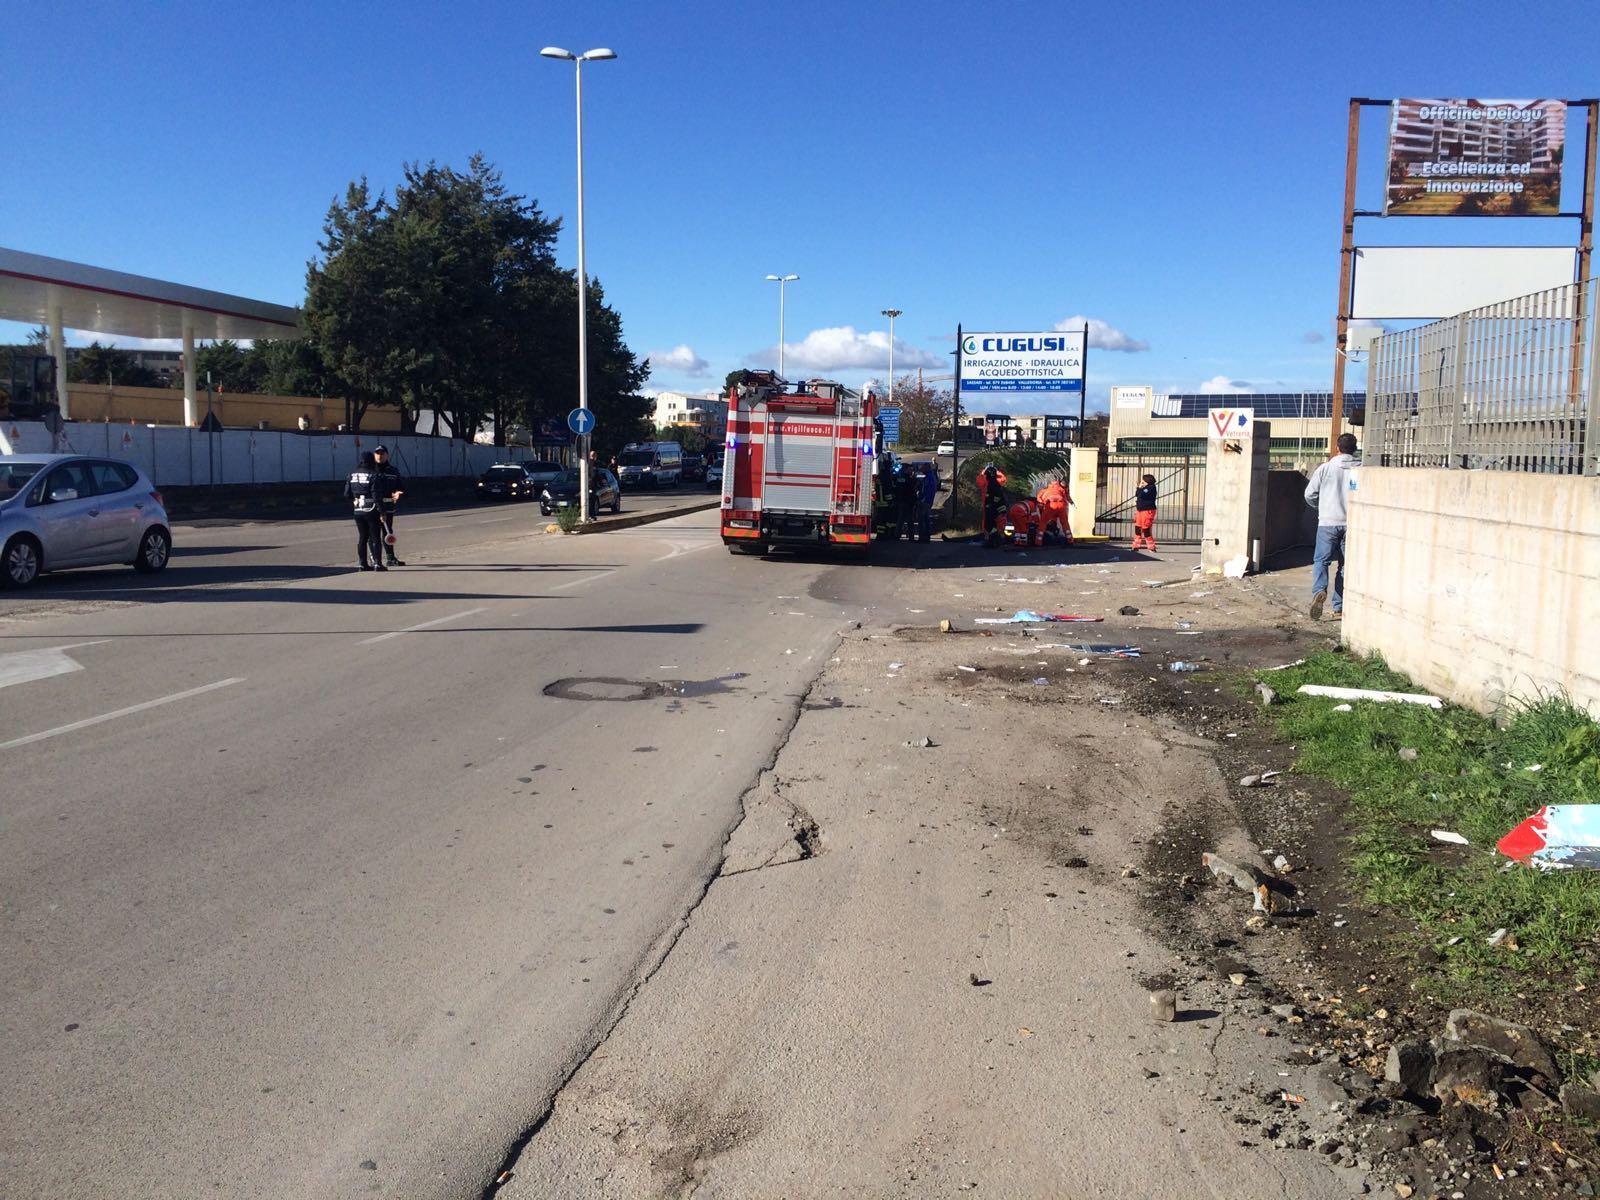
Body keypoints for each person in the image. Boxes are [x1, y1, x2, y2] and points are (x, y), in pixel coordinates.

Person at [1305, 433, 1359, 619]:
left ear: (1337, 448)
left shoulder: (1325, 468)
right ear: (1355, 449)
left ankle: (1319, 591)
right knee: (1344, 564)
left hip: (1328, 522)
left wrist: (1321, 508)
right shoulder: (1360, 469)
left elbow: (1309, 494)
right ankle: (1339, 607)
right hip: (1351, 523)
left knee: (1322, 561)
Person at [344, 451, 386, 571]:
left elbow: (347, 494)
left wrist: (354, 499)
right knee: (375, 537)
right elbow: (376, 495)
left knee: (362, 537)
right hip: (371, 509)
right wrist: (382, 511)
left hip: (358, 509)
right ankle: (377, 563)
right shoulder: (373, 475)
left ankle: (362, 564)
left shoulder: (351, 475)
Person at [371, 445, 405, 566]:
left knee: (388, 531)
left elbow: (400, 487)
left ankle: (390, 558)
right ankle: (374, 559)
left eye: (382, 453)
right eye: (377, 453)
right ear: (374, 455)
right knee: (373, 533)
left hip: (388, 507)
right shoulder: (370, 470)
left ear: (387, 455)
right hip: (373, 507)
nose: (380, 455)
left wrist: (398, 493)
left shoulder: (393, 471)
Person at [977, 464, 1008, 545]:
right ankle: (992, 537)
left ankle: (994, 537)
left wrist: (986, 470)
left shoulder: (990, 483)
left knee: (993, 522)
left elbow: (1003, 479)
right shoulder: (992, 483)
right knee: (990, 522)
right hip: (991, 505)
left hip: (993, 506)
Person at [1132, 474, 1158, 551]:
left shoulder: (1151, 488)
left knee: (1146, 528)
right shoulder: (1144, 488)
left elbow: (1142, 495)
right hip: (1140, 510)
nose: (1142, 482)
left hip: (1147, 511)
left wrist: (1140, 488)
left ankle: (1151, 547)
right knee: (1138, 528)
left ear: (1147, 481)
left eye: (1143, 481)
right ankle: (1136, 546)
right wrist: (1139, 487)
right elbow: (1137, 494)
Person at [916, 461, 938, 543]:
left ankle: (923, 538)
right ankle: (926, 538)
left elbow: (925, 490)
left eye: (923, 468)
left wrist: (922, 499)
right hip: (928, 501)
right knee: (925, 520)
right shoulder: (930, 476)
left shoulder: (929, 477)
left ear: (927, 468)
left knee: (922, 520)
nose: (922, 470)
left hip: (925, 501)